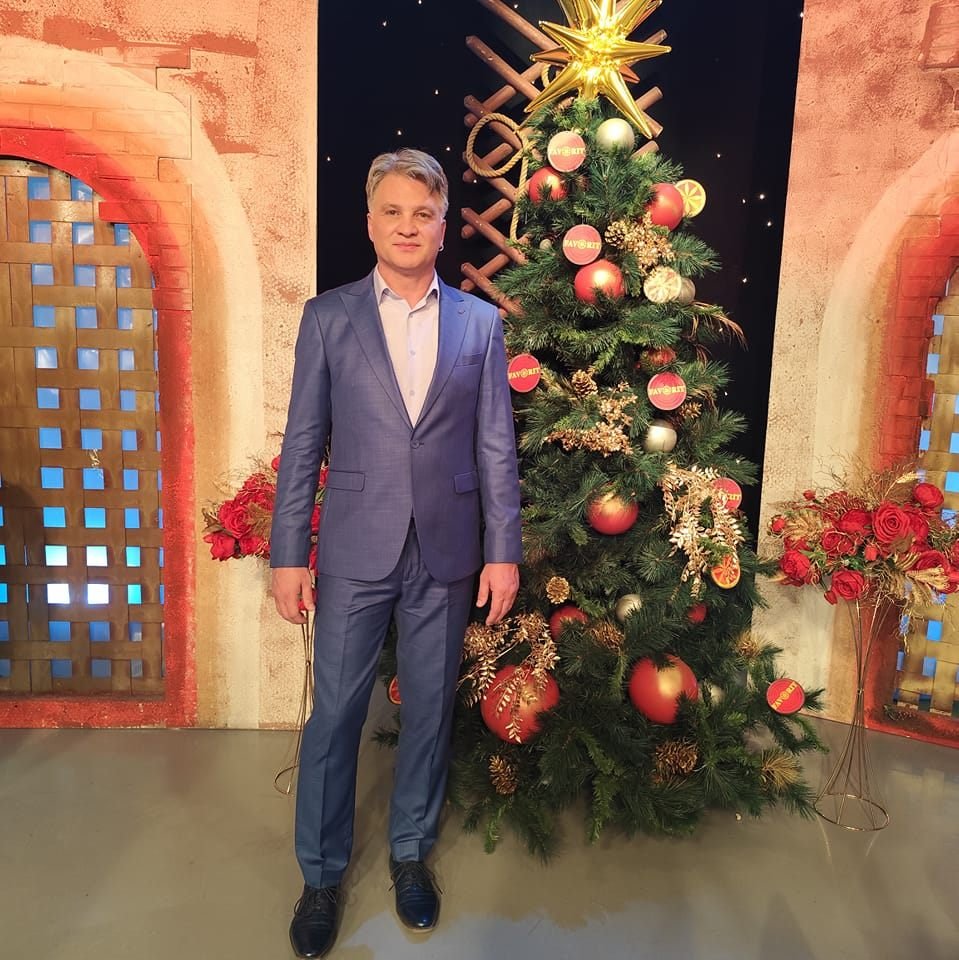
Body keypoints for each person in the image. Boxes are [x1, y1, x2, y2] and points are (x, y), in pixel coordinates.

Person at [270, 147, 522, 959]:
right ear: (370, 222)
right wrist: (287, 553)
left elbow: (495, 447)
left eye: (423, 214)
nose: (407, 226)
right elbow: (303, 442)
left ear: (443, 228)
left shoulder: (479, 324)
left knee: (427, 710)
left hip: (446, 551)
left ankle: (410, 853)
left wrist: (503, 551)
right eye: (392, 212)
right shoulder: (329, 317)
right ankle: (320, 875)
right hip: (353, 544)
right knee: (335, 715)